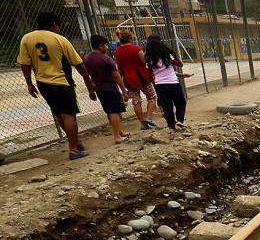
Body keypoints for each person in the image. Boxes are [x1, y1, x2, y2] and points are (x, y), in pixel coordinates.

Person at [17, 11, 97, 160]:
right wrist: (89, 82)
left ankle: (75, 142)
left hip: (43, 83)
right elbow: (78, 64)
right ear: (54, 24)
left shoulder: (26, 39)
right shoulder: (59, 39)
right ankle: (73, 149)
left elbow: (24, 63)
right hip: (62, 82)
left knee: (59, 114)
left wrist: (29, 83)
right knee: (69, 116)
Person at [84, 34, 130, 143]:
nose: (107, 47)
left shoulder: (87, 58)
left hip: (99, 88)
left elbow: (86, 76)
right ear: (100, 46)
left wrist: (90, 90)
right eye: (106, 45)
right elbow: (116, 76)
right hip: (110, 88)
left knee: (109, 111)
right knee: (114, 112)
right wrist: (124, 91)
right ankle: (117, 137)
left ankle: (119, 132)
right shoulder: (106, 59)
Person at [113, 29, 157, 129]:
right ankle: (149, 117)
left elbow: (119, 67)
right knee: (152, 97)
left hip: (128, 78)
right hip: (141, 77)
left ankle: (142, 123)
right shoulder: (136, 48)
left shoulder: (117, 51)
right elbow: (143, 62)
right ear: (130, 38)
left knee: (136, 101)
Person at [145, 37, 187, 129]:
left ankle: (171, 127)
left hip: (160, 85)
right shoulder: (167, 56)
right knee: (180, 102)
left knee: (167, 107)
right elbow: (180, 64)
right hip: (173, 83)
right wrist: (173, 54)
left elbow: (151, 74)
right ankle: (180, 120)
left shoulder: (149, 60)